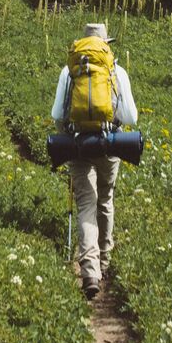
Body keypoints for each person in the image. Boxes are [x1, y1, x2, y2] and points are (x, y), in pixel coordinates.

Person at [51, 23, 138, 299]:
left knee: (86, 203)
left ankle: (89, 271)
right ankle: (105, 261)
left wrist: (70, 132)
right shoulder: (116, 70)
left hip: (77, 144)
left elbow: (57, 114)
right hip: (111, 142)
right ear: (105, 44)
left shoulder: (70, 70)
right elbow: (131, 117)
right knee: (105, 199)